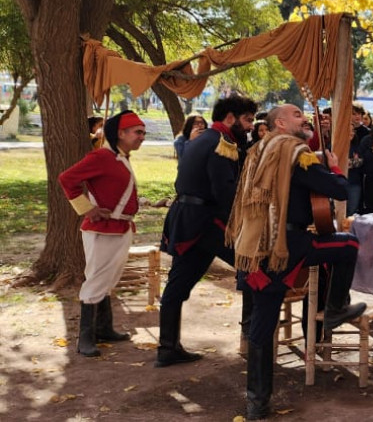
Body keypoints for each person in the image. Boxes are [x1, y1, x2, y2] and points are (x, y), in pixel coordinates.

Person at [227, 104, 367, 420]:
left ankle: (256, 402)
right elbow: (339, 190)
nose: (303, 118)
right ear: (280, 122)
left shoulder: (258, 150)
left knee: (263, 322)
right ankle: (334, 309)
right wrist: (333, 167)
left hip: (254, 244)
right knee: (349, 244)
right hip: (285, 245)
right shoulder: (296, 152)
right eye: (296, 114)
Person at [158, 95, 257, 367]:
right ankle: (253, 340)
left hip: (191, 219)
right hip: (207, 222)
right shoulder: (220, 144)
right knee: (252, 266)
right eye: (247, 120)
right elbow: (225, 192)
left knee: (178, 285)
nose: (250, 126)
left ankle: (167, 347)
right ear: (230, 118)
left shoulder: (205, 139)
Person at [58, 110, 147, 357]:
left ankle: (104, 328)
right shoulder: (101, 156)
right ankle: (85, 338)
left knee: (107, 280)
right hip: (103, 230)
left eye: (143, 133)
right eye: (137, 132)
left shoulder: (120, 157)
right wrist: (88, 209)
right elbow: (67, 179)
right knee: (96, 280)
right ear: (121, 133)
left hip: (120, 228)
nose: (142, 137)